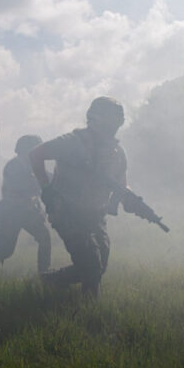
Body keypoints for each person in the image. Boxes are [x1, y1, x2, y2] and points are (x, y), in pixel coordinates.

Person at [29, 96, 135, 298]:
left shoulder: (117, 152)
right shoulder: (72, 142)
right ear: (96, 118)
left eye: (117, 120)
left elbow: (122, 183)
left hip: (95, 215)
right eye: (111, 119)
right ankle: (89, 315)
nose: (114, 125)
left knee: (99, 265)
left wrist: (129, 199)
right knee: (92, 265)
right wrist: (46, 188)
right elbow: (36, 155)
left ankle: (50, 281)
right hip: (67, 212)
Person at [0, 135, 51, 281]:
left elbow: (46, 179)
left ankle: (44, 275)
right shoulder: (14, 166)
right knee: (7, 249)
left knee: (45, 239)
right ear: (27, 150)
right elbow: (27, 186)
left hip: (27, 211)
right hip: (10, 212)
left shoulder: (33, 165)